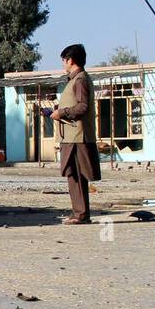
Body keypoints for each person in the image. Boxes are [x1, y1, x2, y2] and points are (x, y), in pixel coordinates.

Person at [51, 44, 99, 224]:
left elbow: (82, 106)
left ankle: (81, 214)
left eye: (64, 60)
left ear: (70, 60)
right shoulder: (75, 79)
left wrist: (61, 113)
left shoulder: (80, 80)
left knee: (78, 175)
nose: (63, 64)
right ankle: (78, 212)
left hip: (78, 137)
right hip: (71, 137)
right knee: (73, 175)